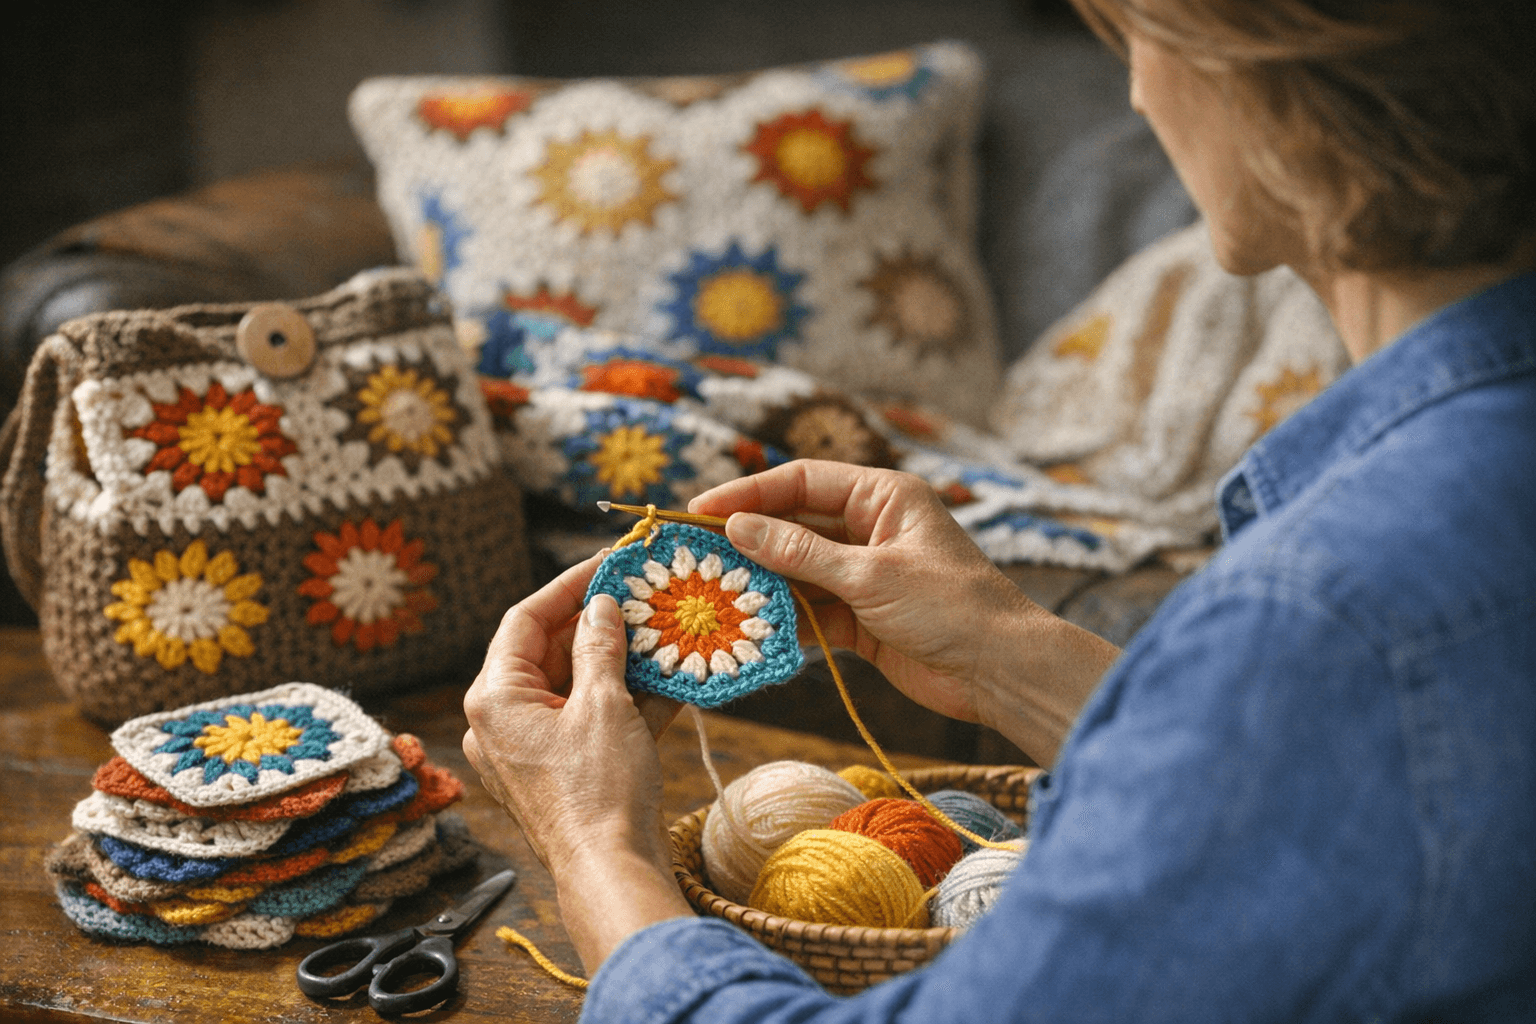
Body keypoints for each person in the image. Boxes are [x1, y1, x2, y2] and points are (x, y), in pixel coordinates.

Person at [462, 0, 1536, 1019]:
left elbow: (1335, 699)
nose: (1139, 98)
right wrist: (1012, 654)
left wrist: (596, 841)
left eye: (1139, 40)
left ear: (1269, 83)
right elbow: (1369, 808)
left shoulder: (1322, 618)